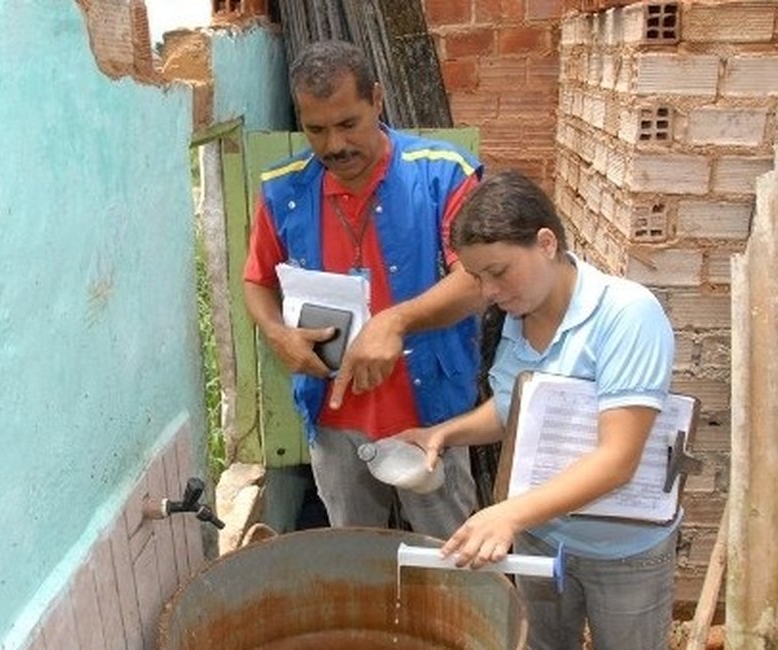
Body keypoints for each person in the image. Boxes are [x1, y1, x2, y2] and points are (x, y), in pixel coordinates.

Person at [395, 170, 678, 649]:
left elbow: (618, 459)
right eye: (477, 277)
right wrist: (443, 433)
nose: (488, 291)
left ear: (546, 243)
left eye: (499, 271)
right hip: (544, 535)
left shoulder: (627, 315)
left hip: (622, 550)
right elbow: (515, 409)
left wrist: (508, 516)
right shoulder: (515, 319)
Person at [241, 39, 482, 539]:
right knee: (354, 555)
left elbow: (477, 282)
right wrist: (276, 333)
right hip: (333, 419)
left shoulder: (443, 174)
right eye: (316, 129)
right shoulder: (283, 192)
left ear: (376, 100)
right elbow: (256, 282)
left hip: (430, 412)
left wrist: (394, 321)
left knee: (451, 555)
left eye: (348, 123)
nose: (333, 146)